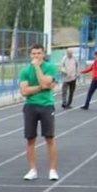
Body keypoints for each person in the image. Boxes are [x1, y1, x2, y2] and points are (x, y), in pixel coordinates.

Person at [19, 44, 59, 181]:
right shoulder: (24, 71)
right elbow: (24, 91)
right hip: (30, 106)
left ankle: (52, 170)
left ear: (43, 54)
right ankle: (32, 170)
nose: (36, 56)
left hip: (46, 105)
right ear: (30, 55)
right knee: (30, 139)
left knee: (50, 137)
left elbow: (46, 81)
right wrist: (41, 87)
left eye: (38, 53)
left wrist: (37, 68)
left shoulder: (50, 67)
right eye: (34, 54)